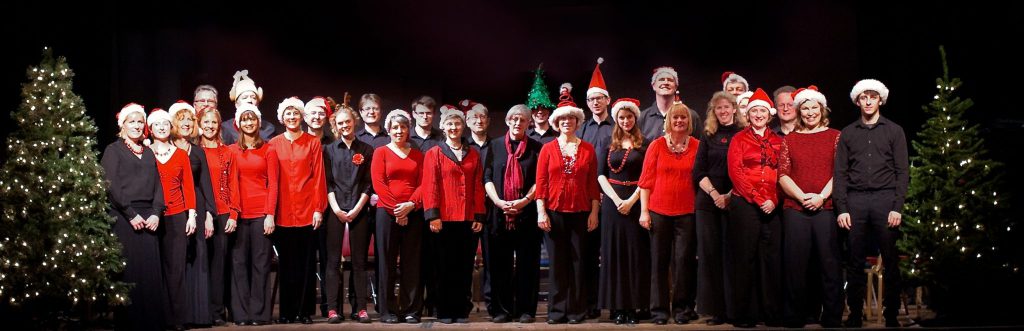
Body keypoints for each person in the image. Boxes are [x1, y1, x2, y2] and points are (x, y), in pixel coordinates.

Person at [835, 79, 908, 328]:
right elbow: (841, 173)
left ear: (880, 100)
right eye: (863, 97)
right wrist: (842, 208)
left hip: (885, 198)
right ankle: (855, 314)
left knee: (889, 259)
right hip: (855, 200)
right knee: (855, 260)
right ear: (857, 101)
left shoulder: (894, 131)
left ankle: (890, 315)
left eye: (872, 97)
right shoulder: (848, 133)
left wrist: (897, 206)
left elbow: (902, 172)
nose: (868, 101)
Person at [777, 86, 843, 328]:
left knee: (828, 263)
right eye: (805, 108)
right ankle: (794, 315)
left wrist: (821, 197)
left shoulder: (836, 136)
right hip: (796, 209)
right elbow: (782, 175)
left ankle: (833, 316)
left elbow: (840, 172)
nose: (810, 112)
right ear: (799, 112)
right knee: (795, 264)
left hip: (825, 208)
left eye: (814, 107)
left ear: (822, 109)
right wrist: (803, 196)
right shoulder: (790, 139)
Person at [535, 89, 600, 324]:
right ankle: (557, 311)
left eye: (571, 119)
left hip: (581, 212)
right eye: (562, 119)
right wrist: (541, 212)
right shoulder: (547, 149)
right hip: (554, 213)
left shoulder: (588, 149)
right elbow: (541, 183)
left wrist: (594, 212)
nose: (567, 123)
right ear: (556, 122)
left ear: (577, 121)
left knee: (578, 263)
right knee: (558, 264)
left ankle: (576, 311)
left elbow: (593, 184)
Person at [102, 103, 166, 331]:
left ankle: (152, 321)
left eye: (140, 122)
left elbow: (159, 185)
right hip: (124, 215)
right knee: (130, 270)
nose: (137, 126)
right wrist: (130, 213)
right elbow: (111, 186)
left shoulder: (148, 152)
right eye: (132, 122)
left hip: (149, 216)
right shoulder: (113, 150)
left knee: (149, 271)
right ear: (123, 125)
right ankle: (129, 321)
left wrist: (157, 212)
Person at [725, 88, 784, 328]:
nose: (758, 115)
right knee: (745, 259)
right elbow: (736, 172)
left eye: (762, 111)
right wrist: (758, 198)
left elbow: (785, 173)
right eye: (754, 111)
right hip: (745, 204)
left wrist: (775, 199)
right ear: (748, 115)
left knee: (771, 260)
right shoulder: (739, 139)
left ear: (769, 115)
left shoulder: (779, 141)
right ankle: (744, 314)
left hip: (773, 205)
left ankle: (770, 312)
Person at [421, 108, 487, 324]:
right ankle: (444, 310)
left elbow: (478, 186)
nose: (453, 128)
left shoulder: (474, 154)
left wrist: (479, 215)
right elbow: (430, 186)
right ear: (443, 127)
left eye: (457, 124)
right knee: (443, 267)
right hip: (444, 219)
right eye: (449, 124)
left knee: (464, 267)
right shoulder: (434, 153)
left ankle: (461, 310)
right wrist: (433, 216)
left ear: (463, 126)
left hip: (467, 218)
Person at [638, 102, 701, 325]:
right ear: (668, 121)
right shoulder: (656, 146)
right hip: (658, 211)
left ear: (689, 121)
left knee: (684, 262)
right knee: (659, 262)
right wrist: (644, 211)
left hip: (687, 212)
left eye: (683, 117)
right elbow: (645, 181)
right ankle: (659, 310)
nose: (679, 121)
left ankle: (683, 309)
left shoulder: (697, 146)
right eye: (675, 118)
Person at [483, 105, 544, 323]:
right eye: (514, 119)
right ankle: (502, 310)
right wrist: (499, 202)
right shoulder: (494, 145)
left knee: (528, 264)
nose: (518, 123)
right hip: (499, 214)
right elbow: (487, 177)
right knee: (500, 265)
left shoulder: (537, 147)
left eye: (523, 120)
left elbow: (540, 180)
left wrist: (524, 201)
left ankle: (526, 310)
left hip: (526, 214)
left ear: (529, 124)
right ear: (508, 121)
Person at [268, 97, 327, 324]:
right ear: (282, 118)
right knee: (287, 265)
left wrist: (317, 209)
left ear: (301, 116)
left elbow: (318, 178)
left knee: (306, 263)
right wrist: (271, 213)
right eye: (288, 114)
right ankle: (286, 312)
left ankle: (304, 311)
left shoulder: (312, 142)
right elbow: (272, 181)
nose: (292, 117)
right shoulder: (273, 144)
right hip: (283, 213)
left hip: (306, 211)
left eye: (295, 113)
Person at [693, 91, 746, 326]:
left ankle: (735, 310)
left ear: (734, 108)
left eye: (726, 107)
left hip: (736, 200)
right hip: (708, 203)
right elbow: (698, 172)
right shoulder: (708, 134)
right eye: (718, 109)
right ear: (713, 112)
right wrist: (715, 195)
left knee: (733, 256)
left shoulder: (744, 134)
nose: (723, 111)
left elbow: (746, 171)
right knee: (710, 256)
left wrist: (728, 196)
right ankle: (716, 311)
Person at [596, 98, 649, 325]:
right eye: (621, 117)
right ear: (616, 120)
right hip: (612, 205)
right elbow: (601, 174)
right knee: (614, 255)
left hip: (636, 203)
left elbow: (647, 177)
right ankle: (617, 308)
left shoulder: (644, 144)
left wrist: (631, 200)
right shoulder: (609, 143)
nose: (625, 121)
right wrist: (617, 199)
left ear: (635, 118)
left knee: (635, 255)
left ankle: (634, 306)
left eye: (629, 117)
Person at [371, 109, 426, 324]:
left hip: (413, 212)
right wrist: (397, 210)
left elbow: (423, 183)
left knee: (412, 263)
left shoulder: (418, 154)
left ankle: (411, 309)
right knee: (386, 262)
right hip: (387, 213)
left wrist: (410, 205)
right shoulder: (381, 152)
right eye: (395, 127)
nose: (399, 131)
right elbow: (379, 183)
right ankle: (388, 310)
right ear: (388, 130)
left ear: (408, 129)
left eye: (403, 127)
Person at [322, 106, 375, 323]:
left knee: (359, 262)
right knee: (333, 261)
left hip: (359, 210)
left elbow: (368, 184)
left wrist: (356, 209)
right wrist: (336, 209)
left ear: (354, 122)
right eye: (340, 123)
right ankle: (333, 309)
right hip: (335, 210)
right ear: (335, 126)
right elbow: (328, 183)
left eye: (348, 122)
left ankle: (360, 308)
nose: (345, 126)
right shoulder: (329, 150)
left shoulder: (367, 149)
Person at [228, 104, 279, 326]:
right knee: (238, 264)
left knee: (260, 265)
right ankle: (241, 314)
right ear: (238, 124)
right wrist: (232, 212)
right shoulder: (231, 151)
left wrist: (270, 214)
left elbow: (274, 184)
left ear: (258, 123)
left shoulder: (268, 150)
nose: (249, 123)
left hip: (260, 213)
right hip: (238, 214)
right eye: (245, 119)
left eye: (253, 119)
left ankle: (259, 314)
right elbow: (228, 185)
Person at [148, 108, 198, 331]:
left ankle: (177, 318)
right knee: (154, 268)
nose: (161, 128)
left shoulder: (180, 154)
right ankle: (158, 315)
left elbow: (188, 186)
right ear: (150, 128)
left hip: (177, 216)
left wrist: (192, 215)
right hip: (152, 217)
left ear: (171, 128)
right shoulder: (145, 153)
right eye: (157, 124)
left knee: (176, 269)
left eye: (165, 124)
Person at [168, 101, 216, 328]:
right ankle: (177, 313)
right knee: (176, 260)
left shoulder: (197, 151)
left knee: (198, 259)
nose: (186, 123)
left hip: (196, 206)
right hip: (173, 207)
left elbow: (206, 184)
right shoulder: (164, 147)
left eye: (190, 120)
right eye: (182, 119)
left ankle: (197, 314)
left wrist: (208, 215)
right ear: (173, 123)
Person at [578, 58, 613, 319]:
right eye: (592, 99)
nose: (596, 103)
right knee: (587, 254)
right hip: (587, 200)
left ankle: (613, 303)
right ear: (588, 103)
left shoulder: (618, 127)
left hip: (613, 199)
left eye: (600, 98)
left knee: (611, 253)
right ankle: (589, 304)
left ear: (607, 101)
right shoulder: (580, 129)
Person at [196, 106, 238, 326]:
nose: (210, 126)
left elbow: (233, 184)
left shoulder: (227, 151)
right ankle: (205, 310)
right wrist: (204, 214)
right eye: (206, 122)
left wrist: (233, 213)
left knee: (221, 265)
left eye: (213, 122)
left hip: (223, 214)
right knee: (204, 264)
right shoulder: (195, 151)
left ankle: (219, 310)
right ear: (199, 125)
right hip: (203, 214)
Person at [639, 66, 702, 141]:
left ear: (676, 87)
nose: (666, 83)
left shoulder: (691, 115)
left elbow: (700, 147)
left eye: (670, 80)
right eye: (661, 80)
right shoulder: (642, 118)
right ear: (653, 86)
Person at [220, 70, 276, 144]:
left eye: (253, 97)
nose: (249, 100)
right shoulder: (225, 128)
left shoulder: (269, 128)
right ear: (236, 104)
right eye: (244, 97)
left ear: (258, 103)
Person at [525, 66, 558, 144]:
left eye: (543, 107)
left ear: (549, 111)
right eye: (535, 108)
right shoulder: (524, 136)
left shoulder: (558, 135)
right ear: (531, 112)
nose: (540, 111)